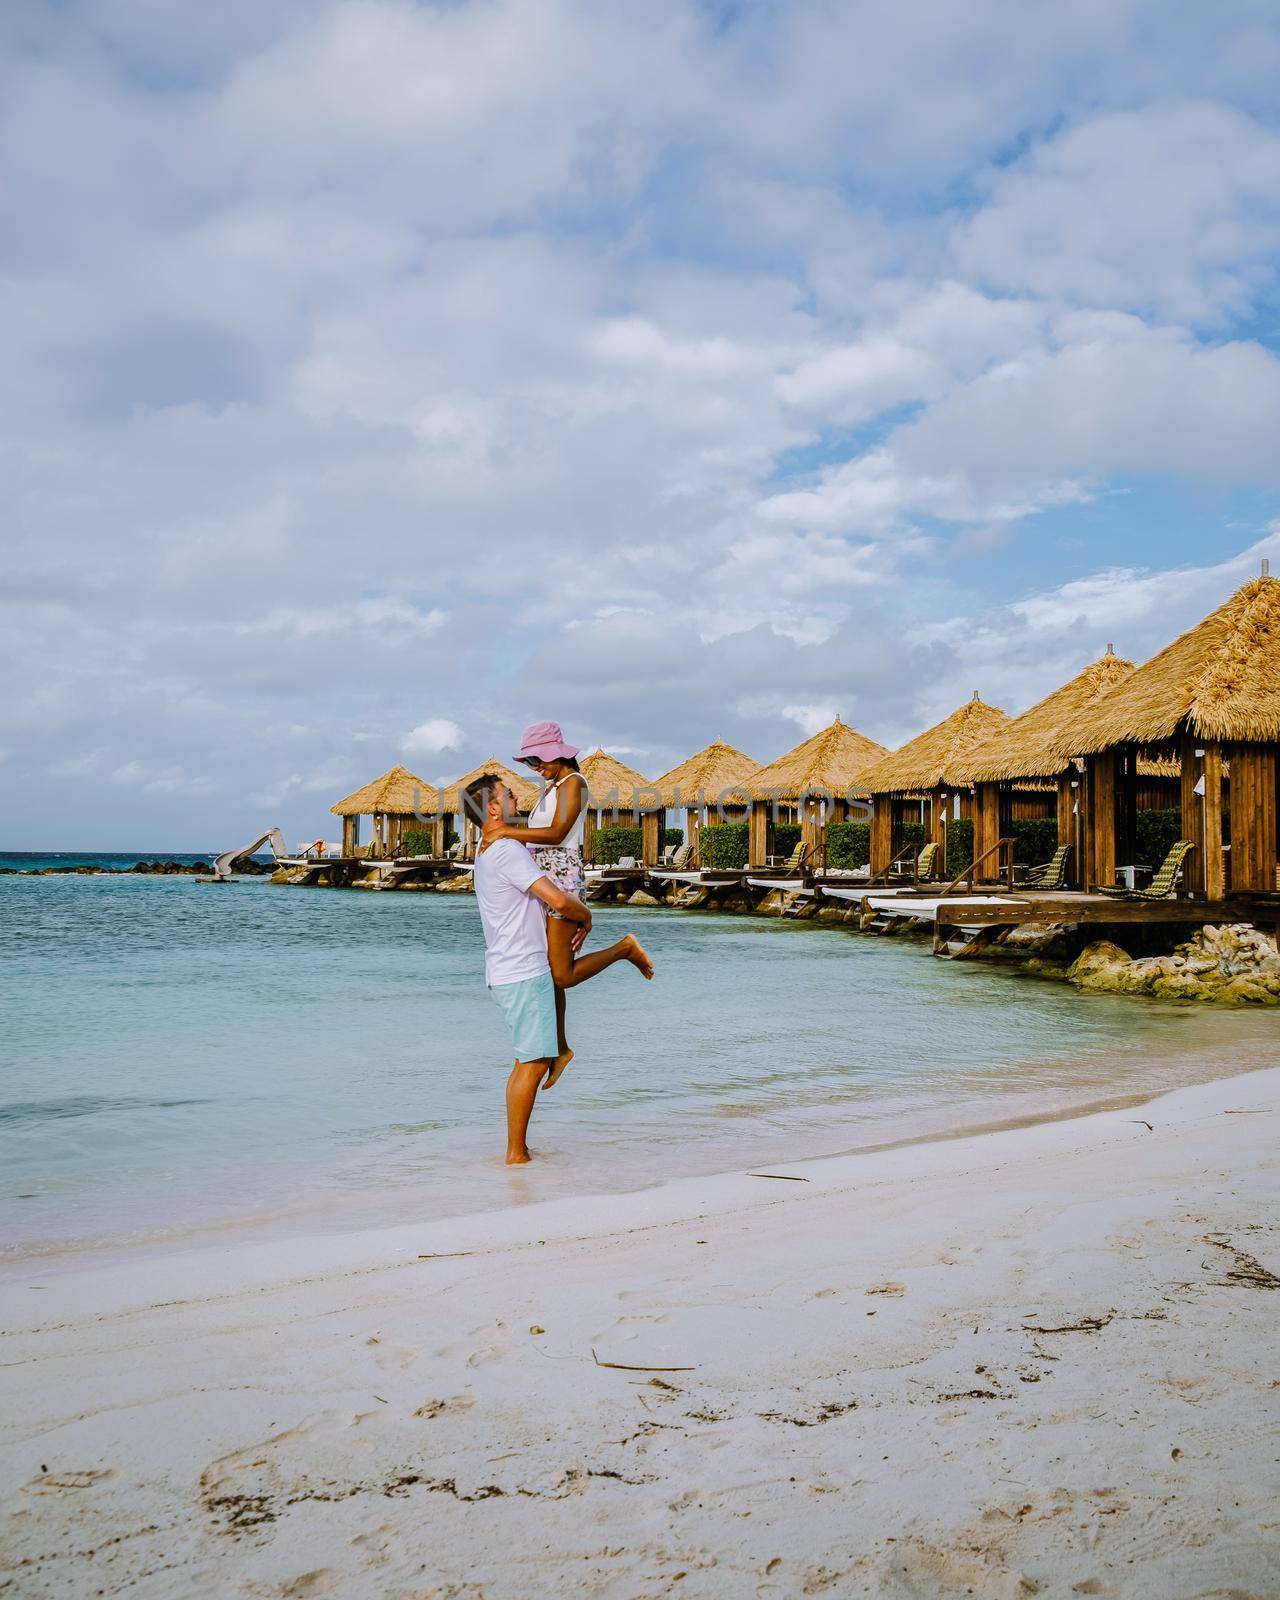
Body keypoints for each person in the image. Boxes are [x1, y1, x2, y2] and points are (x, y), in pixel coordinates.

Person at [472, 776, 652, 1164]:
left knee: (529, 1058)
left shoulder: (484, 850)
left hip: (506, 968)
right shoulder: (506, 851)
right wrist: (586, 917)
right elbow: (556, 898)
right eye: (508, 794)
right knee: (532, 1063)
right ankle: (516, 1154)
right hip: (523, 970)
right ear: (492, 808)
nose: (517, 796)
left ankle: (518, 1148)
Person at [489, 720, 653, 1077]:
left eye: (539, 760)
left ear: (557, 753)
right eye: (530, 763)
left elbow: (558, 832)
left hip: (561, 877)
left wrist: (506, 832)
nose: (536, 768)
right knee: (547, 971)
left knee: (561, 976)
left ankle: (625, 949)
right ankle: (560, 1048)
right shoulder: (553, 786)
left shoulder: (575, 783)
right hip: (542, 876)